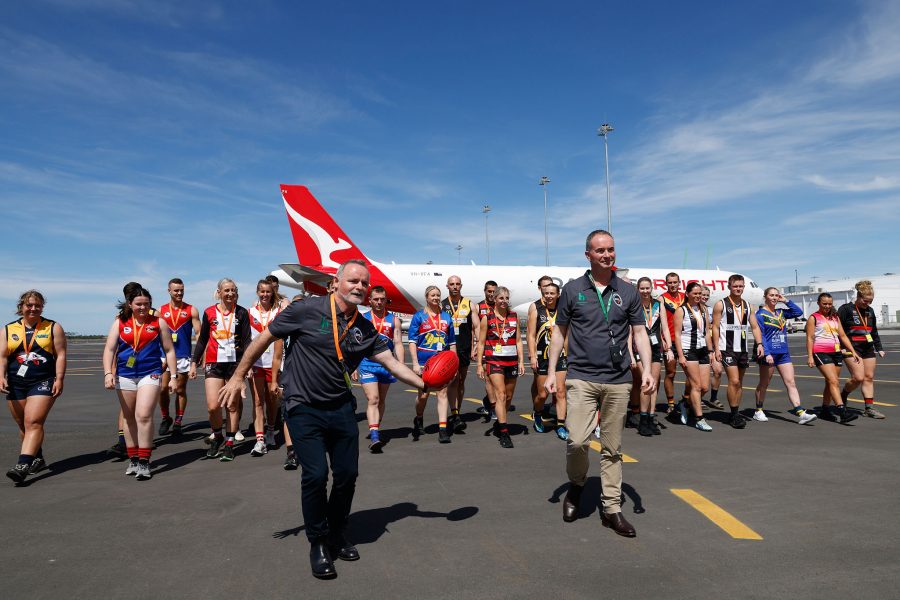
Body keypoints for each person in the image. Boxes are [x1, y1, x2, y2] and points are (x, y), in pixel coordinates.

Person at [217, 259, 425, 579]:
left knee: (347, 475)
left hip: (341, 408)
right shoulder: (306, 310)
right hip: (303, 407)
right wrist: (237, 377)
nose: (360, 287)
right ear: (336, 282)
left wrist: (425, 383)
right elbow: (264, 339)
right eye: (353, 280)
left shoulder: (364, 327)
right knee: (315, 475)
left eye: (364, 283)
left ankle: (337, 533)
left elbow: (392, 362)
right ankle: (317, 542)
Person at [546, 229, 655, 537]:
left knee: (612, 448)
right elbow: (559, 332)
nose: (607, 254)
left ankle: (611, 509)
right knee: (577, 441)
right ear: (588, 255)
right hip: (582, 376)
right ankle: (577, 485)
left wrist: (646, 369)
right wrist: (554, 371)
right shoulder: (572, 289)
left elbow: (639, 333)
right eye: (600, 250)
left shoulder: (628, 291)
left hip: (619, 379)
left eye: (611, 249)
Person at [102, 287, 177, 480]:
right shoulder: (120, 322)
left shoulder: (158, 322)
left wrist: (174, 376)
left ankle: (144, 461)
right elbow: (110, 349)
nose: (143, 307)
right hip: (125, 374)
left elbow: (169, 350)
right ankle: (133, 458)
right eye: (139, 304)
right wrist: (108, 373)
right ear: (130, 304)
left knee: (143, 415)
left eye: (146, 303)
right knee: (128, 417)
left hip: (149, 373)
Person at [2, 291, 67, 484]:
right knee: (23, 424)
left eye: (37, 305)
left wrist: (60, 378)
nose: (33, 309)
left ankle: (22, 465)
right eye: (29, 305)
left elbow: (61, 354)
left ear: (42, 307)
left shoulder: (52, 327)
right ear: (21, 307)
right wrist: (0, 376)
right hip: (15, 382)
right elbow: (2, 357)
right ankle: (37, 458)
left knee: (33, 422)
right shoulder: (8, 329)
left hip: (42, 380)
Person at [190, 278, 252, 461]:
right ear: (219, 292)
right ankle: (217, 436)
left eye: (233, 290)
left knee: (232, 405)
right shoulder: (209, 312)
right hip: (214, 362)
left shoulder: (241, 313)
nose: (230, 293)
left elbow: (247, 340)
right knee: (213, 406)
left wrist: (247, 365)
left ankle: (230, 443)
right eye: (226, 290)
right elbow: (202, 340)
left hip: (235, 364)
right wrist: (194, 361)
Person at [753, 288, 817, 424]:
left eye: (776, 295)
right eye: (771, 295)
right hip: (769, 353)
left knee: (790, 382)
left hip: (783, 353)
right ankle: (758, 410)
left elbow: (798, 312)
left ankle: (800, 412)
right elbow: (761, 335)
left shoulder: (781, 312)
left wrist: (786, 301)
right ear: (765, 297)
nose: (774, 298)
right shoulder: (760, 314)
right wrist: (767, 353)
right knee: (764, 383)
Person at [353, 286, 404, 452]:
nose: (379, 302)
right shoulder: (362, 318)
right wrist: (353, 365)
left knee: (381, 400)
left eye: (382, 299)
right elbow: (355, 344)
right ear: (370, 300)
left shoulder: (393, 319)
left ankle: (376, 427)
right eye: (376, 299)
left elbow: (398, 343)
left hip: (387, 365)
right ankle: (374, 435)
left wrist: (401, 365)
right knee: (373, 399)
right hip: (367, 363)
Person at [711, 274, 763, 429]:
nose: (738, 289)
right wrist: (715, 348)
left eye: (740, 286)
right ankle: (733, 415)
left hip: (742, 349)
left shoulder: (748, 306)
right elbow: (714, 327)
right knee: (733, 381)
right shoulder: (721, 304)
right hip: (726, 348)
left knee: (739, 383)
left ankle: (736, 411)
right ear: (729, 287)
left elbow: (754, 327)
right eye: (735, 286)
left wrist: (759, 344)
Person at [476, 286, 525, 448]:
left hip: (511, 361)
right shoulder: (487, 318)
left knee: (508, 397)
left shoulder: (514, 316)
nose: (504, 301)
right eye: (500, 298)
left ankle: (500, 422)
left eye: (506, 298)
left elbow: (518, 340)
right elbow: (481, 342)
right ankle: (504, 432)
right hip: (493, 360)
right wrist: (479, 364)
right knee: (501, 394)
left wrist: (521, 361)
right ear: (494, 300)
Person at [408, 286, 457, 443]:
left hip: (441, 362)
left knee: (442, 393)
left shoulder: (446, 317)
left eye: (438, 295)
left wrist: (454, 363)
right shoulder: (419, 317)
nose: (436, 298)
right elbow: (412, 341)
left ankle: (442, 429)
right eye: (433, 295)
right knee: (423, 396)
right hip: (424, 363)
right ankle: (419, 418)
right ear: (427, 297)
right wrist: (415, 363)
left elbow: (452, 343)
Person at [805, 293, 859, 424]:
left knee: (830, 382)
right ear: (818, 303)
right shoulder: (814, 318)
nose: (827, 306)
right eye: (824, 303)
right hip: (821, 352)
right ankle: (842, 411)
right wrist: (810, 356)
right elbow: (810, 338)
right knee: (833, 381)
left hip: (836, 352)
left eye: (830, 304)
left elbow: (843, 335)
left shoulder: (835, 317)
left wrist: (853, 351)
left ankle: (824, 409)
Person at [526, 281, 569, 440]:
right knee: (542, 394)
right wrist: (532, 356)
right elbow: (530, 335)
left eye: (552, 293)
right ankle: (537, 413)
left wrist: (568, 356)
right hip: (542, 357)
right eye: (546, 293)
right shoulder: (537, 310)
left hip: (560, 357)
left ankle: (561, 424)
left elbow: (566, 336)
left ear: (558, 294)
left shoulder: (563, 311)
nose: (549, 296)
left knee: (560, 392)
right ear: (542, 294)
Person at [838, 280, 886, 419]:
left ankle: (869, 408)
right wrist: (840, 346)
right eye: (865, 301)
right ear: (858, 296)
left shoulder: (870, 311)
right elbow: (838, 330)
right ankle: (843, 395)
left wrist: (879, 348)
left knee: (869, 377)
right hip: (851, 348)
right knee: (858, 378)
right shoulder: (846, 309)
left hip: (867, 348)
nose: (868, 304)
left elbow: (873, 331)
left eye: (870, 301)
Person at [158, 278, 200, 436]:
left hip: (183, 356)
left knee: (180, 389)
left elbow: (199, 333)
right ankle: (165, 417)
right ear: (169, 291)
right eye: (176, 290)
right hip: (164, 356)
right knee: (162, 389)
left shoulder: (191, 310)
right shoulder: (160, 311)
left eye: (182, 290)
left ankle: (178, 421)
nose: (179, 293)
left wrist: (198, 355)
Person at [673, 282, 714, 431]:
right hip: (688, 349)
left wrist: (711, 351)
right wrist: (680, 355)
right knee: (695, 385)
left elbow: (707, 332)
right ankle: (699, 418)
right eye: (695, 293)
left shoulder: (704, 310)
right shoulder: (681, 310)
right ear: (688, 294)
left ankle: (685, 403)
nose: (698, 296)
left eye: (700, 294)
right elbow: (677, 335)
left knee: (704, 387)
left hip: (702, 349)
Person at [248, 279, 283, 456]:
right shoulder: (250, 312)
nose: (265, 295)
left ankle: (270, 430)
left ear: (273, 293)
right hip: (256, 363)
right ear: (257, 292)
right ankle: (260, 440)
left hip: (273, 363)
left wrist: (276, 373)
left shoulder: (279, 313)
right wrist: (246, 365)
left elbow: (279, 345)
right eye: (262, 291)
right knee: (257, 401)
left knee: (272, 399)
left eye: (268, 292)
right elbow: (247, 340)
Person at [441, 275, 479, 433]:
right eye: (452, 284)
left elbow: (476, 326)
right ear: (447, 286)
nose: (455, 286)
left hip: (463, 348)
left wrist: (476, 344)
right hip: (446, 349)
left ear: (461, 285)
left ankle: (456, 412)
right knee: (450, 381)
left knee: (461, 381)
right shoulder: (442, 305)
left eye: (457, 284)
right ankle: (453, 413)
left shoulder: (469, 304)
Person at [632, 277, 670, 436]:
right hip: (639, 349)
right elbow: (629, 332)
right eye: (642, 288)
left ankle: (651, 416)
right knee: (645, 384)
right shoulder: (634, 304)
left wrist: (669, 347)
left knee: (653, 384)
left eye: (648, 288)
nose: (645, 291)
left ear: (652, 288)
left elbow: (665, 327)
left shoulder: (657, 304)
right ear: (638, 289)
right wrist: (630, 355)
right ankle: (642, 419)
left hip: (655, 348)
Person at [660, 273, 685, 414]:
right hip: (670, 341)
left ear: (679, 283)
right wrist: (663, 339)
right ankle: (671, 404)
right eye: (670, 282)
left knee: (693, 374)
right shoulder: (662, 299)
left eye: (675, 282)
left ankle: (686, 399)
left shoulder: (685, 297)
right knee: (671, 373)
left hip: (686, 340)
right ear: (666, 284)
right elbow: (658, 323)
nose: (673, 285)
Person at [476, 280, 498, 418]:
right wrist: (476, 345)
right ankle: (494, 408)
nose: (491, 294)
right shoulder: (479, 307)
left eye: (493, 292)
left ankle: (487, 400)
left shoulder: (500, 305)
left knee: (500, 380)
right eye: (489, 291)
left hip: (500, 348)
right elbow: (475, 328)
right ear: (485, 291)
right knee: (489, 379)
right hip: (485, 348)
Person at [700, 285, 724, 410]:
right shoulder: (691, 309)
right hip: (699, 345)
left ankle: (713, 397)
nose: (704, 297)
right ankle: (695, 398)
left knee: (718, 370)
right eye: (702, 294)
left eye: (707, 295)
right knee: (699, 377)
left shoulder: (710, 310)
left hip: (712, 345)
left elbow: (716, 326)